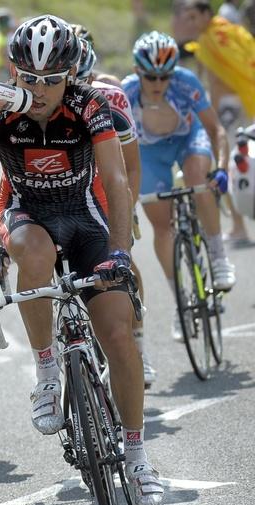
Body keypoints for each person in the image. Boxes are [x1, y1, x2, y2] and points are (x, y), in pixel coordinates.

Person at [0, 14, 164, 505]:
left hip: (85, 219)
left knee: (117, 336)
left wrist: (119, 253)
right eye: (29, 78)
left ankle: (136, 457)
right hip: (27, 215)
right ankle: (47, 373)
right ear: (13, 71)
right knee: (35, 251)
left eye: (51, 80)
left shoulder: (91, 105)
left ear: (70, 74)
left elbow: (115, 182)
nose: (40, 89)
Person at [122, 31, 237, 307]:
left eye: (166, 76)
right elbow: (114, 147)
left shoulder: (186, 83)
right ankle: (180, 301)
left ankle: (219, 257)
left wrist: (221, 169)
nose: (159, 83)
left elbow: (216, 130)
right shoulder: (127, 92)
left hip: (187, 139)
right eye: (151, 76)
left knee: (199, 180)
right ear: (138, 71)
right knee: (163, 228)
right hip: (150, 153)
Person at [73, 32, 157, 387]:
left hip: (109, 187)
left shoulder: (110, 96)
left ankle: (138, 345)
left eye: (83, 80)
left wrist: (128, 207)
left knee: (123, 263)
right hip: (70, 190)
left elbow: (131, 167)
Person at [172, 0, 255, 242]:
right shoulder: (227, 31)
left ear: (207, 14)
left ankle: (239, 227)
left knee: (224, 159)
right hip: (246, 100)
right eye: (187, 18)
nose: (190, 23)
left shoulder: (210, 40)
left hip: (228, 106)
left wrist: (212, 115)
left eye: (194, 17)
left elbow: (217, 83)